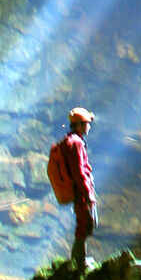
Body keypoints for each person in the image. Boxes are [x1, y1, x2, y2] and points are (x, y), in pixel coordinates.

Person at [60, 106, 97, 271]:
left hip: (79, 190)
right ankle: (79, 261)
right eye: (87, 123)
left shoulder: (71, 140)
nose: (89, 126)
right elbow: (79, 172)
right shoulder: (75, 144)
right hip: (81, 192)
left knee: (86, 223)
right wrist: (88, 194)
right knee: (85, 223)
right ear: (81, 125)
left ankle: (79, 259)